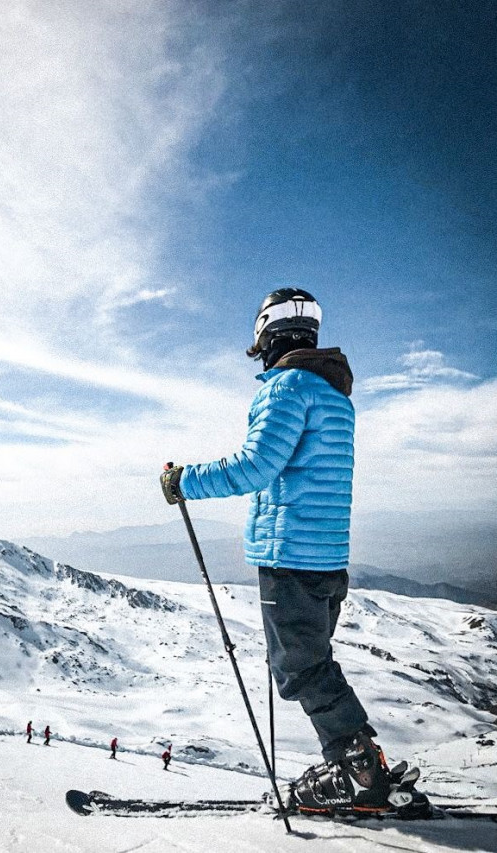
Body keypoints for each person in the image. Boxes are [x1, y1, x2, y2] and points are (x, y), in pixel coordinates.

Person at [160, 288, 391, 814]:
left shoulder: (286, 388)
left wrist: (184, 481)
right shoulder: (335, 396)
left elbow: (255, 466)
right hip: (328, 558)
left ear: (269, 335)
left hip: (291, 556)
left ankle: (359, 771)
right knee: (312, 664)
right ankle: (357, 762)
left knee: (301, 669)